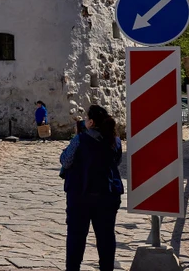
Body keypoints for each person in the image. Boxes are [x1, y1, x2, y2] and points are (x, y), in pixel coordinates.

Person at [60, 105, 123, 271]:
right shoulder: (115, 140)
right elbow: (116, 162)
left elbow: (66, 161)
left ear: (91, 122)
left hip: (80, 195)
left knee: (76, 237)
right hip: (107, 194)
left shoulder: (80, 140)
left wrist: (78, 135)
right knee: (106, 237)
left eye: (87, 118)